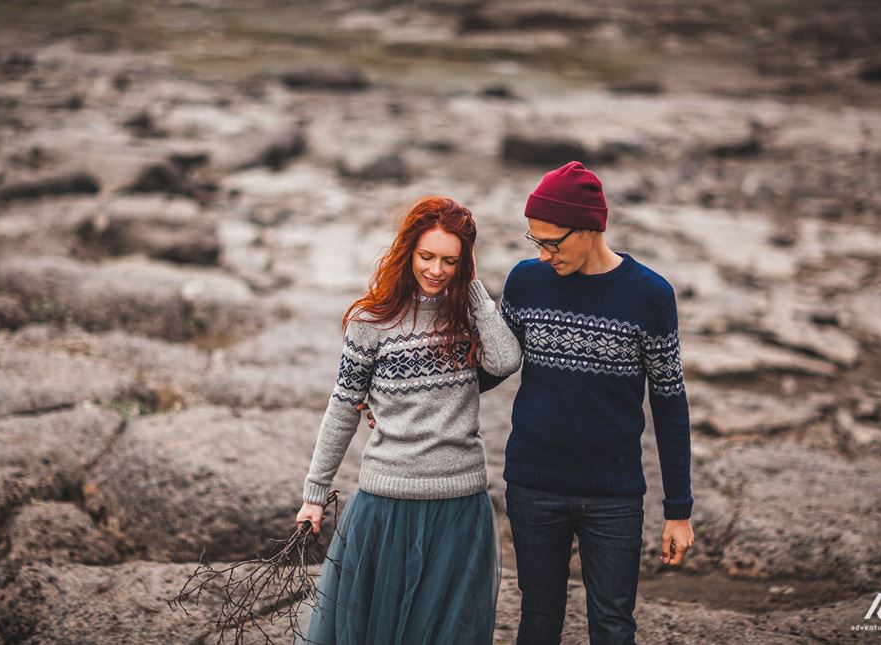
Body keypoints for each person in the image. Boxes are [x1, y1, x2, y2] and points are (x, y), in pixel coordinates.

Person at [475, 161, 695, 644]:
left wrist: (678, 509)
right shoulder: (527, 281)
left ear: (594, 227)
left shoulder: (651, 296)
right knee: (537, 619)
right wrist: (405, 394)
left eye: (553, 242)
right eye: (535, 241)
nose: (544, 254)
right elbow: (493, 368)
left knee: (614, 626)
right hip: (534, 485)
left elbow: (670, 403)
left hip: (613, 495)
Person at [295, 195, 522, 645]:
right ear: (407, 253)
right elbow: (343, 406)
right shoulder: (371, 320)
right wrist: (315, 493)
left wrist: (474, 289)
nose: (437, 270)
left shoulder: (467, 317)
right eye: (427, 256)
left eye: (451, 261)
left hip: (461, 504)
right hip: (386, 505)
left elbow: (507, 359)